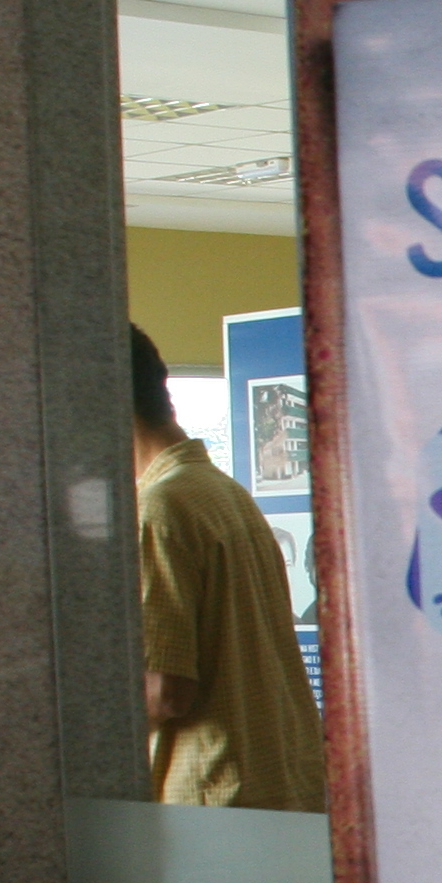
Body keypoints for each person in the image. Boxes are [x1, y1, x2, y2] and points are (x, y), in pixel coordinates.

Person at [131, 326, 326, 811]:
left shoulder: (159, 507)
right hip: (272, 784)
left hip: (210, 800)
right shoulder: (221, 491)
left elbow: (164, 691)